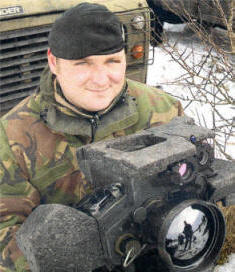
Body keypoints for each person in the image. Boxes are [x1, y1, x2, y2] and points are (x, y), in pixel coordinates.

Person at [0, 2, 184, 271]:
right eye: (83, 63)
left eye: (112, 61)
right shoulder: (12, 138)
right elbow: (6, 236)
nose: (100, 80)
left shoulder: (162, 110)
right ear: (54, 62)